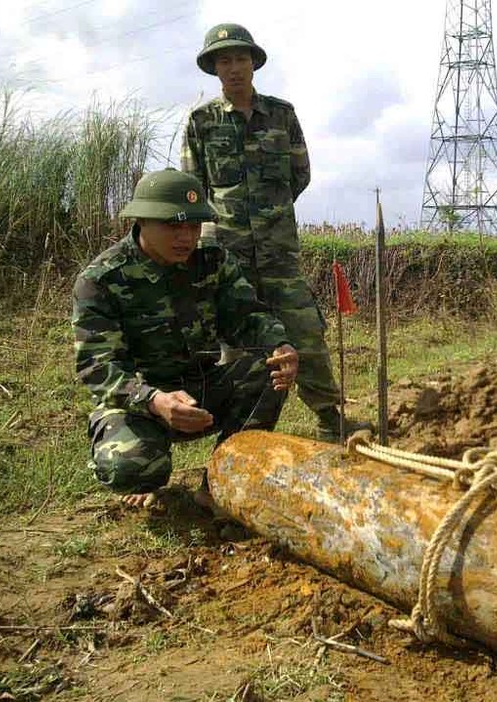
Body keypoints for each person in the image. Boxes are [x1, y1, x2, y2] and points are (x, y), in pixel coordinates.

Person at [181, 22, 370, 443]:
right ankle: (241, 434)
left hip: (279, 252)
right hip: (228, 254)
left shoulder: (282, 114)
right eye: (224, 60)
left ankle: (329, 419)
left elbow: (299, 175)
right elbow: (193, 189)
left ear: (254, 63)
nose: (234, 67)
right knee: (240, 344)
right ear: (214, 68)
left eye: (241, 58)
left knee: (305, 332)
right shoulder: (200, 121)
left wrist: (270, 215)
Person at [72, 168, 299, 509]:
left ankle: (220, 482)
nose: (186, 237)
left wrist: (279, 346)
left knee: (268, 370)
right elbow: (97, 367)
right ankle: (148, 474)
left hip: (202, 388)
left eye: (193, 226)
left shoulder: (211, 260)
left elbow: (246, 316)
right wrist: (153, 400)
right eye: (173, 226)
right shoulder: (101, 279)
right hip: (141, 403)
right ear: (141, 221)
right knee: (132, 468)